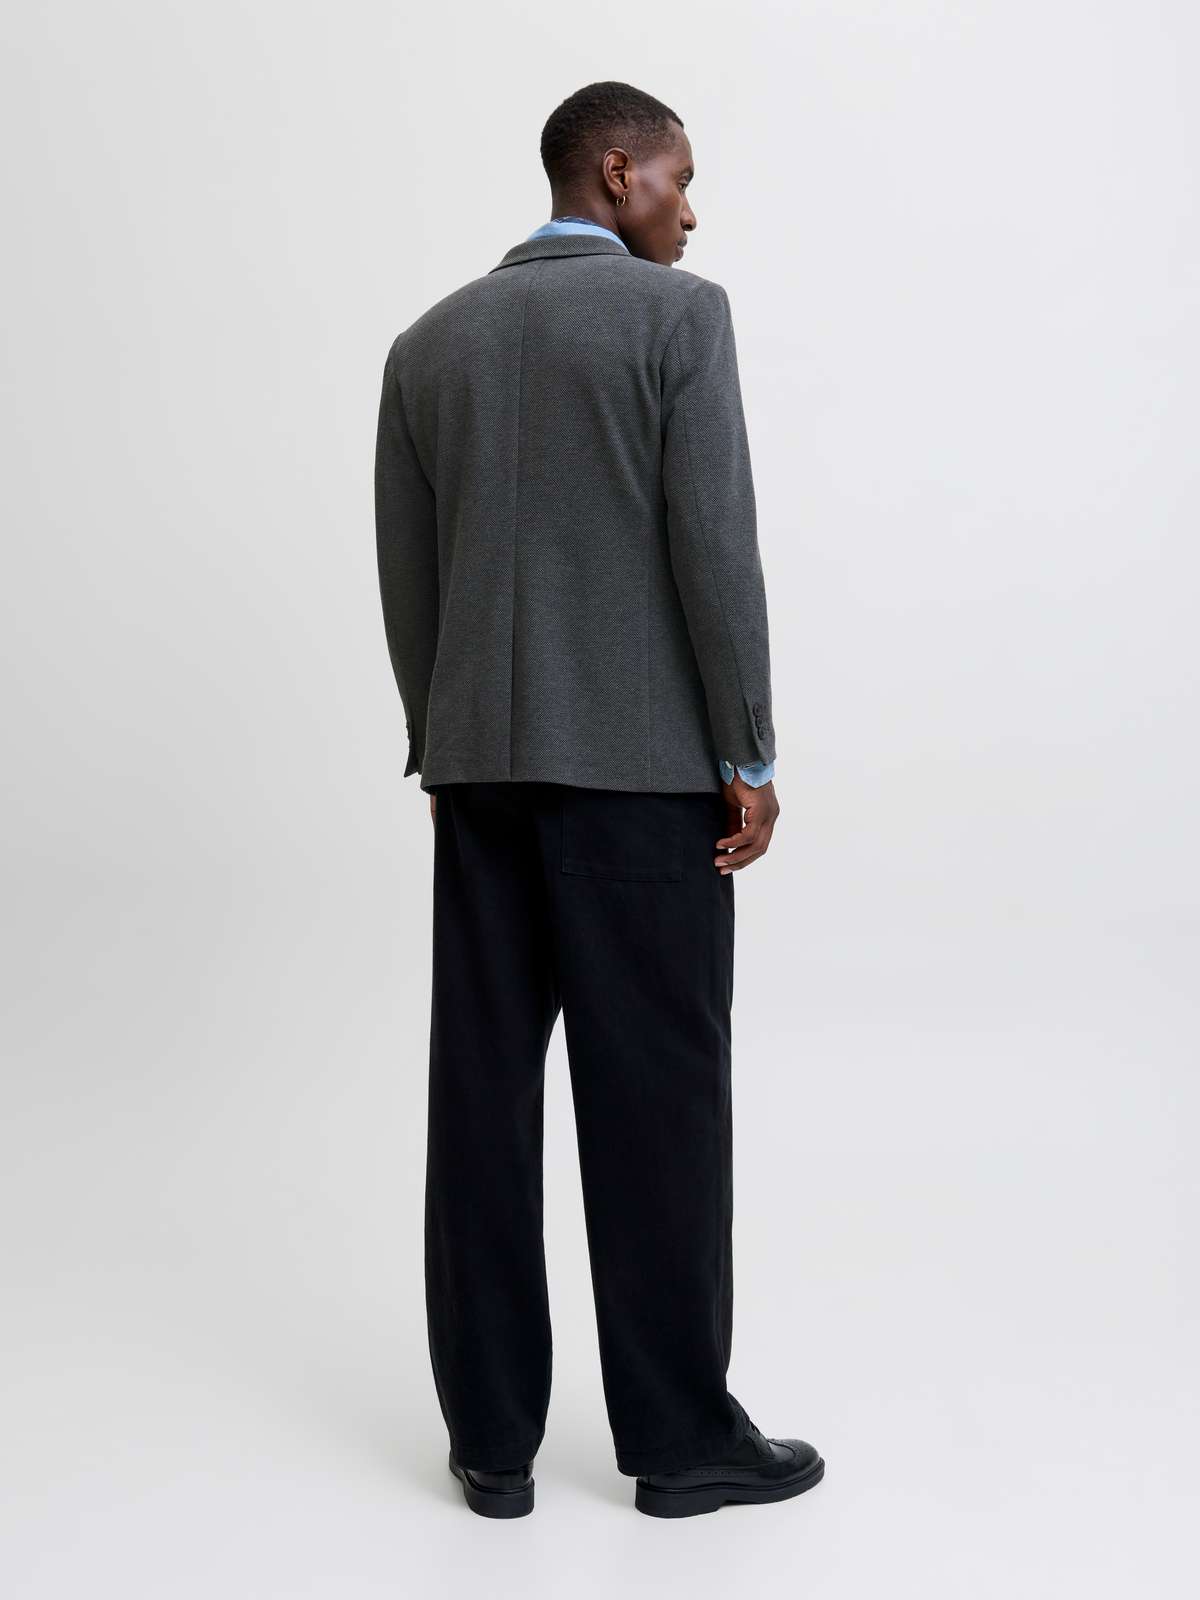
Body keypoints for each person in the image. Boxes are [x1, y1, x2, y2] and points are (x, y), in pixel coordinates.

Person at [374, 79, 824, 1519]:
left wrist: (441, 743)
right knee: (660, 1105)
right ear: (615, 172)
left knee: (481, 1105)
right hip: (641, 783)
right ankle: (682, 1443)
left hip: (482, 778)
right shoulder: (676, 319)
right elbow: (716, 550)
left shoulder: (428, 344)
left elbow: (408, 579)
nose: (691, 211)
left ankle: (491, 1444)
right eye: (679, 180)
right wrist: (749, 755)